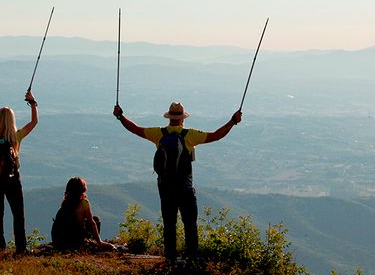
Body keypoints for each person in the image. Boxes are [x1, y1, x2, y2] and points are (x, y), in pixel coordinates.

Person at [113, 102, 242, 261]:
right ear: (182, 118)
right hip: (185, 188)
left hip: (166, 187)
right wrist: (233, 121)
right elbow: (216, 135)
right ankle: (192, 258)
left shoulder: (158, 134)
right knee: (190, 224)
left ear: (169, 117)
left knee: (169, 223)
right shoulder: (190, 135)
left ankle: (170, 258)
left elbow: (135, 128)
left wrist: (120, 116)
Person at [0, 88, 38, 254]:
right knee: (18, 214)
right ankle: (20, 248)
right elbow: (34, 122)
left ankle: (1, 246)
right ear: (12, 120)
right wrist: (32, 102)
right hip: (12, 179)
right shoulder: (16, 137)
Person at [51, 177, 114, 251]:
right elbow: (91, 223)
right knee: (95, 220)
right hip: (75, 238)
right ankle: (90, 241)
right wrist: (100, 242)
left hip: (58, 240)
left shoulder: (65, 203)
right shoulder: (84, 203)